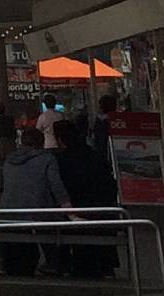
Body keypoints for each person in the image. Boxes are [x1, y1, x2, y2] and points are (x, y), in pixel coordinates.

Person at [0, 125, 71, 276]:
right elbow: (56, 185)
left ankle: (10, 264)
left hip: (9, 212)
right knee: (51, 232)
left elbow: (2, 187)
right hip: (40, 211)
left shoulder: (9, 161)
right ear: (42, 143)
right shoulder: (47, 159)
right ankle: (53, 263)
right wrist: (69, 209)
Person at [52, 119, 121, 278]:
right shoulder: (95, 156)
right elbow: (110, 185)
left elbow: (61, 190)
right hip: (102, 209)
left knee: (59, 219)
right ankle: (106, 266)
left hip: (76, 210)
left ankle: (64, 265)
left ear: (60, 139)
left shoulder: (61, 161)